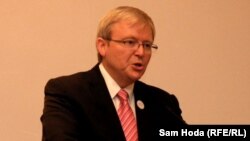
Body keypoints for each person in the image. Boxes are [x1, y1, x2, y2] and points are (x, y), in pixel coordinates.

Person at [41, 6, 187, 141]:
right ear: (102, 46)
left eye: (147, 45)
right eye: (130, 42)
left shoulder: (163, 103)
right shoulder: (67, 93)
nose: (141, 52)